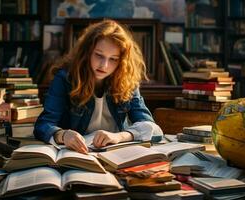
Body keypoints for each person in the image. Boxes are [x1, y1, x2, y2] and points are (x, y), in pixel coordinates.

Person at [34, 19, 163, 154]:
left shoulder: (127, 80)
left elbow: (153, 129)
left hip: (117, 155)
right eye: (99, 55)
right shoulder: (65, 78)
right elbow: (43, 125)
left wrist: (119, 136)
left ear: (122, 62)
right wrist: (63, 135)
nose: (104, 65)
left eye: (113, 59)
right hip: (77, 154)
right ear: (87, 52)